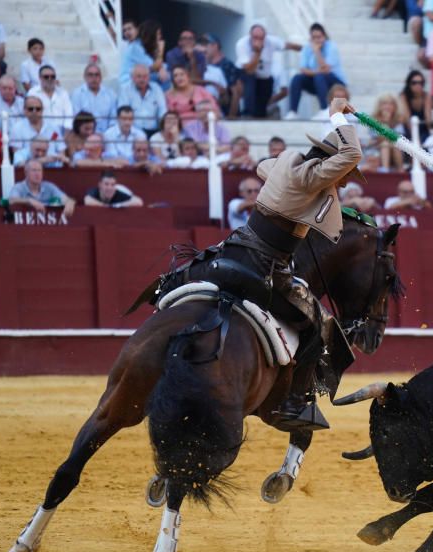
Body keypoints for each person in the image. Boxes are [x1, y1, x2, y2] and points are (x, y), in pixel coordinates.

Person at [153, 95, 366, 432]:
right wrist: (337, 115)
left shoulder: (284, 164)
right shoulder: (313, 177)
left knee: (179, 280)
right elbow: (352, 153)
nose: (346, 180)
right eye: (346, 174)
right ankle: (295, 401)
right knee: (316, 326)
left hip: (233, 248)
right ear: (331, 163)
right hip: (267, 269)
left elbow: (262, 166)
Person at [236, 24, 300, 119]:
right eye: (255, 37)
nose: (258, 40)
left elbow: (286, 45)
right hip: (247, 74)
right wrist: (257, 52)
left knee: (262, 105)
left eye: (261, 38)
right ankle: (247, 113)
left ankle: (260, 114)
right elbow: (249, 70)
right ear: (250, 35)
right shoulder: (242, 44)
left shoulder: (271, 41)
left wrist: (305, 48)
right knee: (249, 79)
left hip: (264, 77)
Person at [286, 23, 348, 120]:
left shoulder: (331, 46)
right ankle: (293, 111)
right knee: (297, 78)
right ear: (311, 38)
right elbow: (303, 69)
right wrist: (317, 72)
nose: (316, 40)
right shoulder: (307, 47)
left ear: (324, 36)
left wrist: (316, 51)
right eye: (314, 37)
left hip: (335, 82)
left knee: (319, 77)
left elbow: (326, 69)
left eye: (319, 37)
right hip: (317, 81)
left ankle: (324, 110)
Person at [8, 160, 76, 217]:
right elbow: (11, 200)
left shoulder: (49, 187)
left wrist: (70, 202)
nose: (37, 174)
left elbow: (66, 199)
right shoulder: (19, 187)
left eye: (39, 170)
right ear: (26, 173)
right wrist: (29, 201)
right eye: (34, 170)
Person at [202, 34, 243, 119]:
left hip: (225, 114)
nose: (203, 48)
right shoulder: (204, 66)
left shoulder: (227, 65)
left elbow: (236, 92)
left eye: (205, 44)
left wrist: (232, 115)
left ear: (215, 46)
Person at [118, 64, 167, 134]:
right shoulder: (125, 90)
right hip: (133, 131)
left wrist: (162, 129)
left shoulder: (156, 88)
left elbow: (162, 111)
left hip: (154, 130)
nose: (142, 79)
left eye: (145, 76)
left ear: (149, 77)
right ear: (132, 77)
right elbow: (123, 112)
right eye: (139, 76)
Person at [120, 20, 169, 87]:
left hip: (139, 77)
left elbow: (159, 66)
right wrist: (160, 50)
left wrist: (161, 69)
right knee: (167, 77)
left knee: (167, 72)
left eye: (129, 29)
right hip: (129, 82)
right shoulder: (135, 48)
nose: (160, 37)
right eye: (158, 34)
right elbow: (154, 67)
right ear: (152, 35)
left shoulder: (141, 45)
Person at [70, 62, 117, 133]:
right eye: (90, 75)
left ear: (101, 78)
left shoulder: (111, 94)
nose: (94, 78)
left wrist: (108, 135)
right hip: (84, 135)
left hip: (106, 136)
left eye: (97, 75)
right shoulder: (77, 94)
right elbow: (76, 119)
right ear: (85, 77)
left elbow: (114, 119)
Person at [29, 64, 73, 130]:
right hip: (41, 131)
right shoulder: (32, 93)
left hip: (62, 132)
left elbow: (69, 114)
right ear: (40, 78)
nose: (50, 79)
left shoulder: (63, 93)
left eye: (53, 76)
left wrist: (67, 130)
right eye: (46, 77)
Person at [399, 70, 433, 142]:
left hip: (423, 128)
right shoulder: (404, 96)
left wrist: (432, 134)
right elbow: (407, 118)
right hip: (408, 129)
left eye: (420, 83)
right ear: (409, 84)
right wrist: (415, 139)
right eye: (414, 83)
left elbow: (428, 118)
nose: (418, 85)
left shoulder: (426, 96)